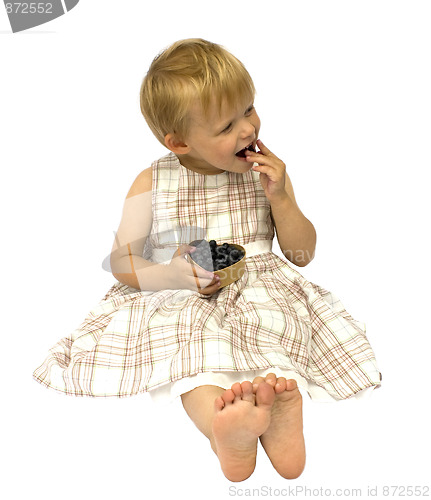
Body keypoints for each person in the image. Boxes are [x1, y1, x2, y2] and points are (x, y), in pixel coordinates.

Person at [33, 38, 381, 482]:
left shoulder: (266, 174)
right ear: (178, 141)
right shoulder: (152, 180)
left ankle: (277, 412)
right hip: (183, 287)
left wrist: (282, 196)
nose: (248, 130)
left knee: (274, 333)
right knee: (191, 353)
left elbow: (301, 253)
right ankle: (224, 432)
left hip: (259, 284)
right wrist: (170, 275)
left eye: (249, 109)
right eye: (226, 127)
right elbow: (122, 260)